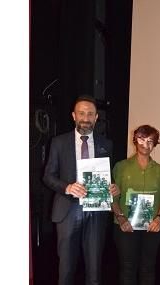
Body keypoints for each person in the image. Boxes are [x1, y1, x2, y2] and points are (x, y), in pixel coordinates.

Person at [43, 95, 120, 285]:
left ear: (96, 118)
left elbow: (108, 176)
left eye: (90, 114)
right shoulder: (59, 142)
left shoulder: (106, 144)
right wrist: (67, 187)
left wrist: (113, 186)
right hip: (68, 210)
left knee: (94, 270)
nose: (85, 118)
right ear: (73, 116)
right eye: (81, 113)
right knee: (66, 269)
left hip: (96, 211)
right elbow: (48, 176)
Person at [111, 125, 160, 285]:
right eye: (142, 139)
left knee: (148, 268)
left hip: (152, 227)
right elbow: (113, 199)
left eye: (151, 141)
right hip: (125, 226)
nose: (146, 144)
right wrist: (121, 219)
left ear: (155, 144)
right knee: (127, 268)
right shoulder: (121, 167)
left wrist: (159, 218)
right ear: (135, 140)